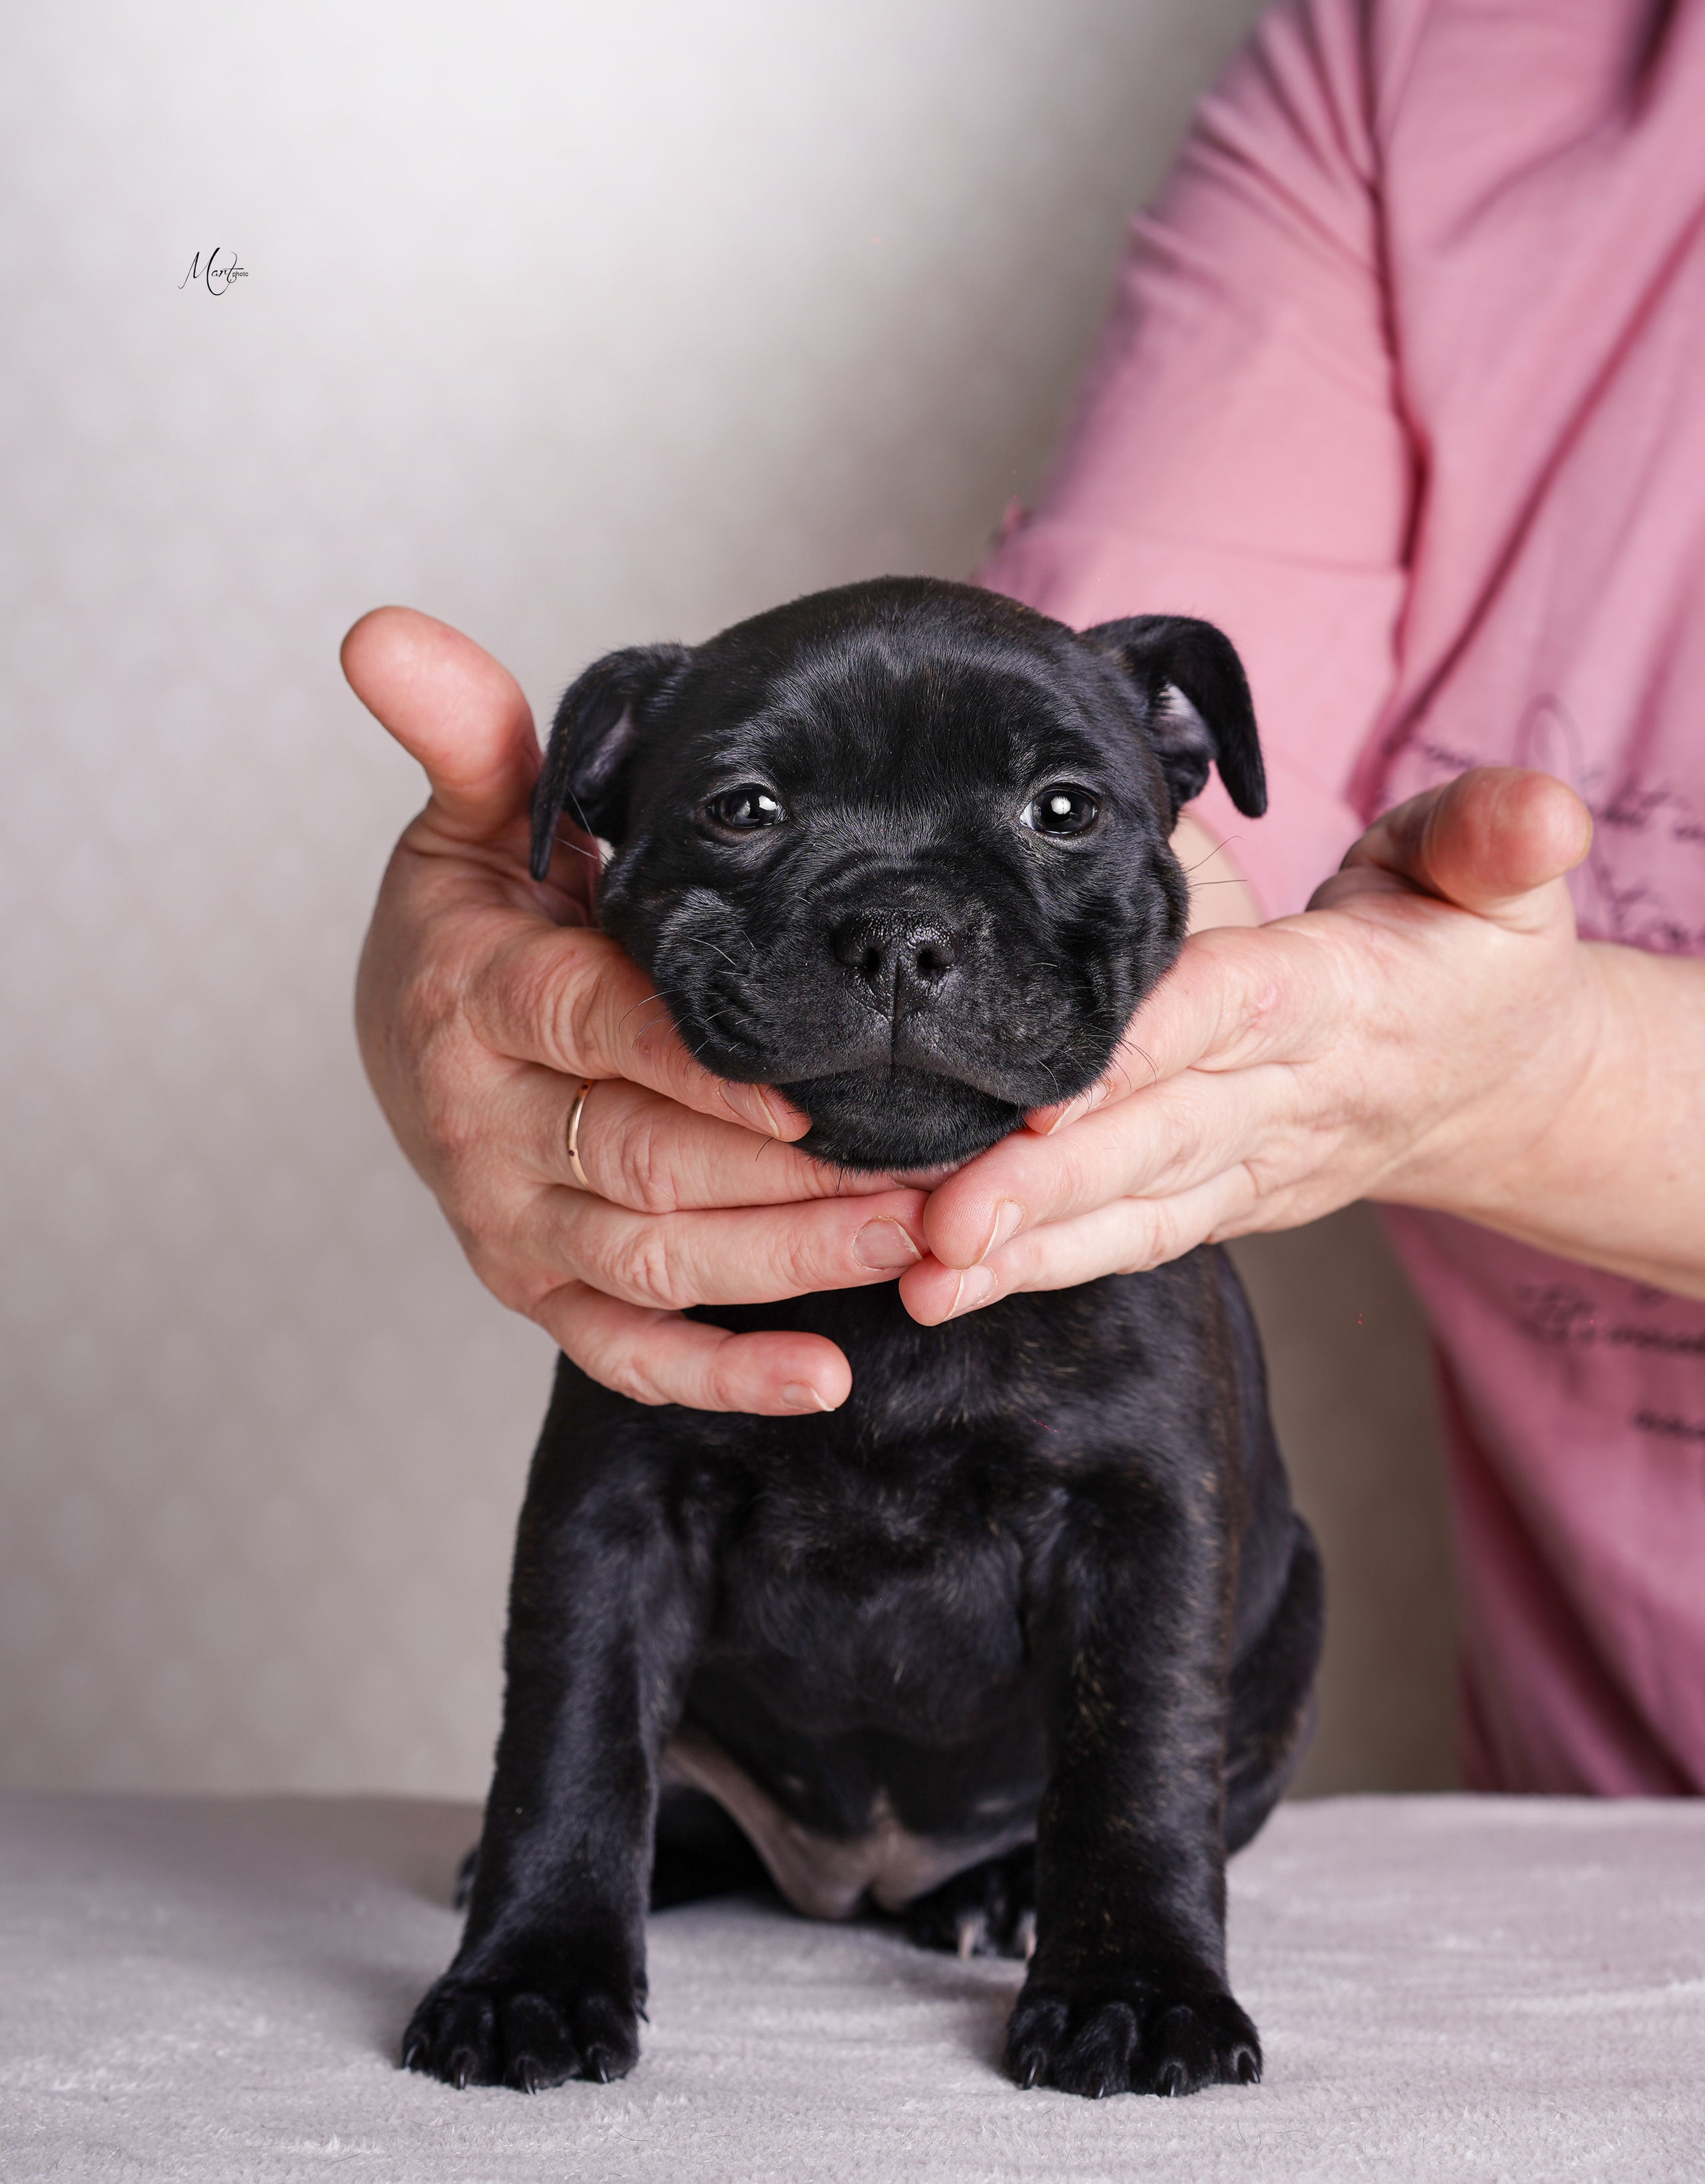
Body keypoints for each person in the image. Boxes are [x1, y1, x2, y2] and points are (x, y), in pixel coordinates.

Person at [348, 0, 1705, 1798]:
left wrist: (1538, 1078)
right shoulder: (1431, 50)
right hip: (1604, 1842)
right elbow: (1105, 790)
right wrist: (476, 996)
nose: (909, 937)